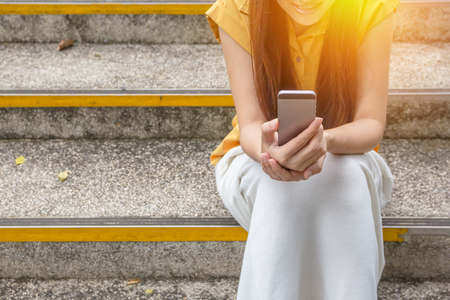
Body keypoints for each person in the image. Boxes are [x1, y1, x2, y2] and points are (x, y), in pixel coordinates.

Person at [206, 0, 398, 298]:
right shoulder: (239, 8)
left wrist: (324, 141)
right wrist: (271, 152)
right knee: (280, 187)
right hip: (256, 158)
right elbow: (252, 124)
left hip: (350, 156)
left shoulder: (369, 7)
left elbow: (371, 122)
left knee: (340, 175)